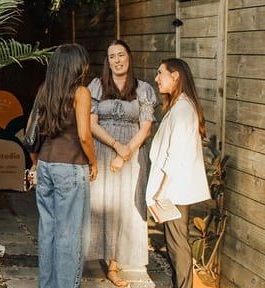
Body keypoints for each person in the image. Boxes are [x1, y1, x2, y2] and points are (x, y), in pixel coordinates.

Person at [86, 39, 156, 287]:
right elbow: (91, 124)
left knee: (126, 206)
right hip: (103, 150)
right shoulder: (96, 85)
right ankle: (92, 254)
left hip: (132, 155)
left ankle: (114, 265)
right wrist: (116, 146)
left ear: (129, 57)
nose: (117, 60)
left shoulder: (143, 89)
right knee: (101, 203)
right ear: (107, 61)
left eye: (121, 55)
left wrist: (125, 153)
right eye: (112, 56)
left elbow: (146, 128)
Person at [28, 43, 97, 288]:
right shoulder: (81, 93)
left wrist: (36, 164)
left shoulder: (45, 89)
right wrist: (93, 161)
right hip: (70, 165)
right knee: (70, 235)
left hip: (45, 165)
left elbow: (31, 131)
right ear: (78, 65)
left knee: (48, 232)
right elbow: (85, 136)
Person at [147, 58, 210, 288]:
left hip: (174, 189)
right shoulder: (181, 105)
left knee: (177, 245)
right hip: (173, 188)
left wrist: (161, 191)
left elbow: (175, 155)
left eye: (160, 73)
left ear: (175, 76)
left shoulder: (183, 109)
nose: (156, 79)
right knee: (175, 243)